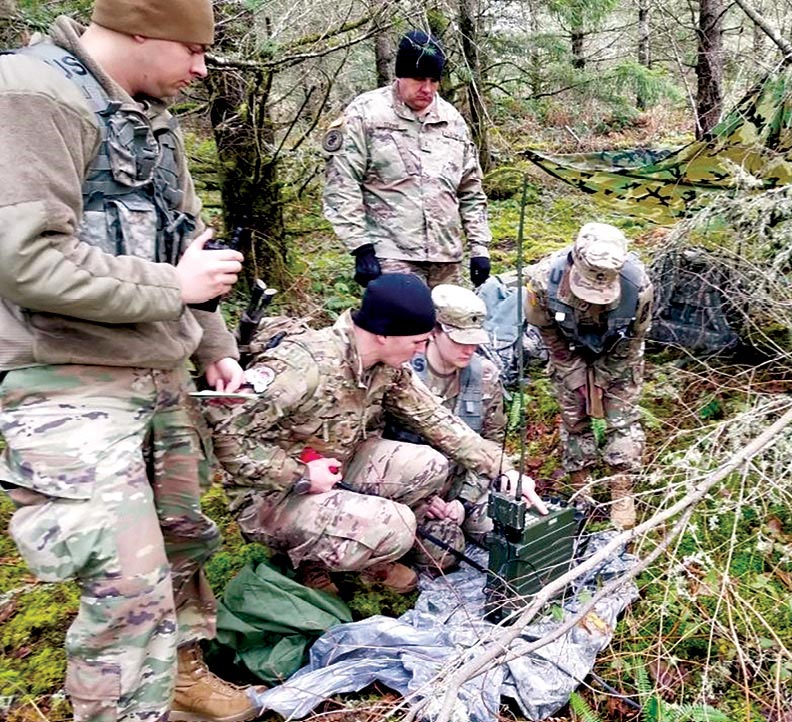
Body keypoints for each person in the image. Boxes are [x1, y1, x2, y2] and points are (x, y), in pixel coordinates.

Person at [0, 1, 260, 722]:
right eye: (192, 50)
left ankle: (178, 676)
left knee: (181, 539)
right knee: (124, 581)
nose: (201, 68)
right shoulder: (32, 95)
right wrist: (172, 291)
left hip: (158, 369)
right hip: (65, 380)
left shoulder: (148, 116)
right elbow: (25, 261)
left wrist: (212, 342)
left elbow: (188, 241)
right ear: (142, 30)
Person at [206, 274, 544, 595]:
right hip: (270, 495)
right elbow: (226, 432)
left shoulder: (387, 367)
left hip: (338, 468)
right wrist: (301, 475)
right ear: (385, 334)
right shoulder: (304, 366)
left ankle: (354, 536)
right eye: (417, 342)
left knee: (430, 465)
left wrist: (504, 470)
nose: (419, 350)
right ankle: (314, 559)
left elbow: (437, 420)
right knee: (398, 526)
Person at [322, 29, 492, 290]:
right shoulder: (366, 114)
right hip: (391, 256)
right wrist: (360, 246)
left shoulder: (452, 120)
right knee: (401, 330)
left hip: (446, 257)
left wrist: (479, 248)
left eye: (434, 80)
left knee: (449, 330)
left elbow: (470, 189)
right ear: (399, 75)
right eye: (418, 78)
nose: (427, 88)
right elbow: (341, 183)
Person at [524, 223, 654, 530]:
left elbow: (635, 339)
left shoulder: (638, 286)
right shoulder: (543, 281)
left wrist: (605, 377)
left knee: (622, 421)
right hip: (568, 349)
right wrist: (574, 376)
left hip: (618, 351)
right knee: (574, 419)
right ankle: (581, 488)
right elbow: (548, 333)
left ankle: (621, 489)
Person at [383, 284, 508, 568]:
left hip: (467, 484)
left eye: (474, 341)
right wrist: (421, 500)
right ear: (434, 331)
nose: (469, 349)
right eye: (459, 340)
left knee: (505, 531)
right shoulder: (400, 375)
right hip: (411, 492)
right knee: (443, 555)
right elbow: (376, 450)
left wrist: (463, 502)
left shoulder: (484, 375)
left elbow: (493, 443)